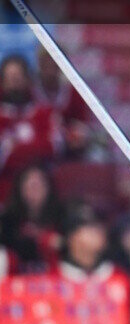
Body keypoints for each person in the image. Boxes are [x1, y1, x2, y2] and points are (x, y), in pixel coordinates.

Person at [0, 55, 61, 196]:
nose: (14, 84)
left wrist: (13, 149)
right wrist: (34, 146)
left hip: (43, 189)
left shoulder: (45, 113)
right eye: (10, 79)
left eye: (18, 78)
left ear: (28, 80)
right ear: (2, 82)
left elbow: (54, 147)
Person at [0, 164, 64, 273]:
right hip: (15, 276)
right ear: (20, 189)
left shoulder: (62, 215)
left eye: (39, 186)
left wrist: (47, 239)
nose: (34, 190)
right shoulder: (8, 219)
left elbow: (69, 246)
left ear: (48, 188)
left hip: (56, 275)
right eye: (30, 186)